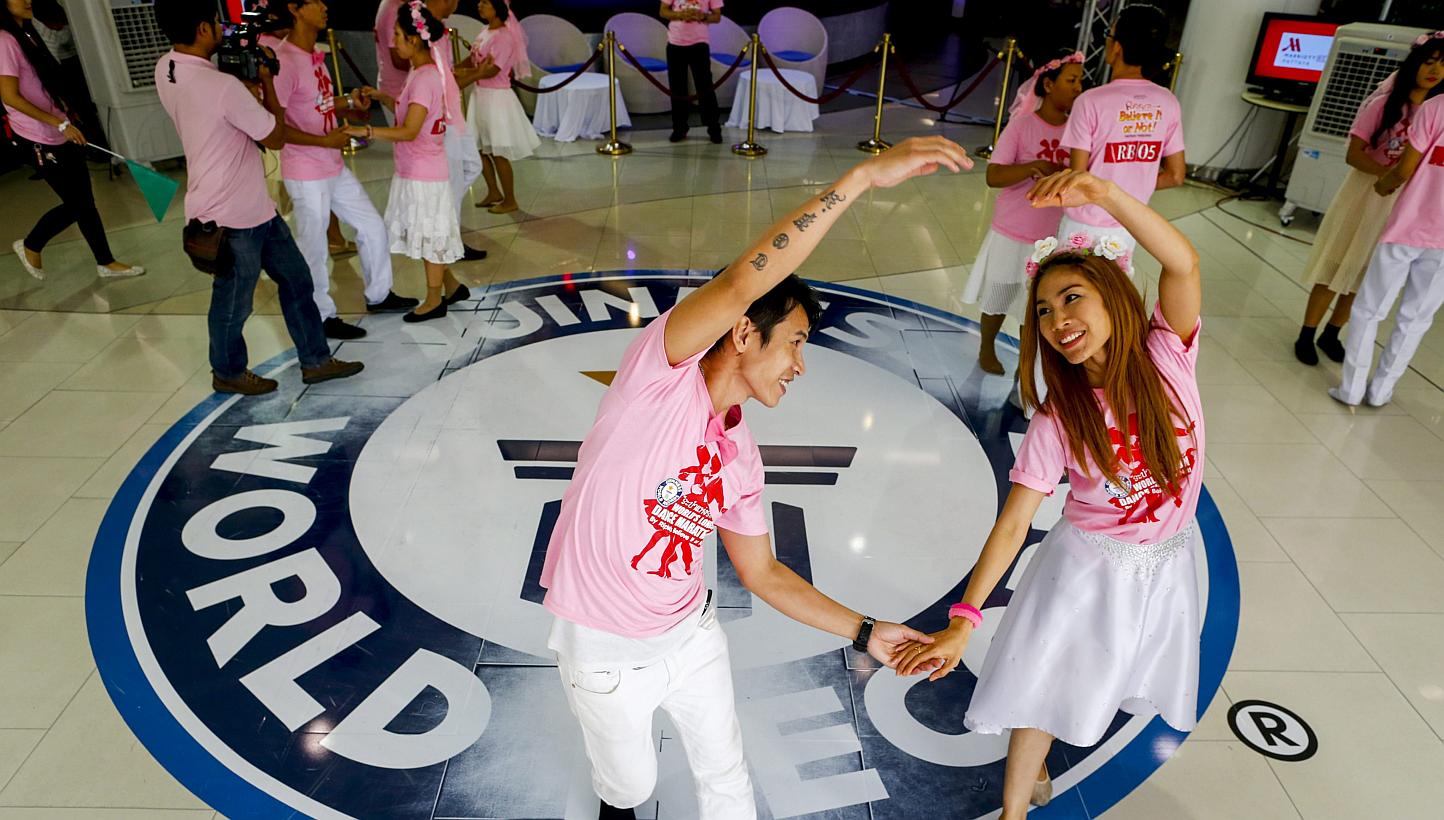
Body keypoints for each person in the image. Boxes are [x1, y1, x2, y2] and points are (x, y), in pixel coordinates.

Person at [538, 136, 972, 819]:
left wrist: (866, 631)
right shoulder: (659, 377)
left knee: (728, 780)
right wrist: (858, 179)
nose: (800, 365)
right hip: (603, 652)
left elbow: (764, 573)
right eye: (794, 342)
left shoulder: (739, 453)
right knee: (628, 788)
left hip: (691, 634)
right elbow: (746, 280)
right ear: (743, 334)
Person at [895, 169, 1204, 820]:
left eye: (1072, 298)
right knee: (1044, 690)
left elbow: (1182, 260)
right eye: (1043, 311)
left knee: (1101, 682)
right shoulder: (1058, 417)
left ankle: (1033, 767)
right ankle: (1015, 812)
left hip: (1163, 568)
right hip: (1086, 574)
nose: (1059, 320)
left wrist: (1107, 197)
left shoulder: (1167, 356)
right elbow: (1013, 524)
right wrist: (964, 618)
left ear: (1114, 296)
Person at [153, 0, 362, 395]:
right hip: (231, 215)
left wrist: (245, 91)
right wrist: (265, 83)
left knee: (297, 280)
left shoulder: (167, 68)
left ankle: (316, 360)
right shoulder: (222, 86)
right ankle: (228, 372)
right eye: (216, 23)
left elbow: (216, 112)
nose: (222, 30)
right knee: (233, 302)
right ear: (201, 29)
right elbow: (275, 137)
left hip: (253, 207)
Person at [1294, 33, 1444, 365]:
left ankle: (1332, 333)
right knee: (1336, 262)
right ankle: (1307, 332)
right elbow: (1354, 155)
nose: (1435, 70)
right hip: (1364, 194)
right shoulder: (1385, 104)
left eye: (1443, 63)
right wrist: (1388, 174)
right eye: (1428, 61)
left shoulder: (1437, 112)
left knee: (1366, 271)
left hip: (1402, 202)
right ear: (1413, 65)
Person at [273, 0, 418, 340]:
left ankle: (380, 294)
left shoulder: (313, 54)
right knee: (314, 247)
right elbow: (275, 127)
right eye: (315, 2)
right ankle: (320, 317)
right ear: (295, 8)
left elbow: (318, 104)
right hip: (307, 170)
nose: (325, 7)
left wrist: (350, 102)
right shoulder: (285, 60)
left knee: (372, 225)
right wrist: (322, 142)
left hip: (332, 164)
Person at [1, 0, 142, 281]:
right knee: (77, 203)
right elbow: (9, 96)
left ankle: (105, 261)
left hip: (59, 126)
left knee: (85, 199)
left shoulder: (28, 31)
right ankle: (31, 243)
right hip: (38, 135)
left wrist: (65, 117)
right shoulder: (3, 41)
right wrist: (58, 122)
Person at [963, 51, 1084, 375]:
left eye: (1080, 81)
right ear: (1048, 83)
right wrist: (1031, 168)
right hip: (1012, 229)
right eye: (1071, 80)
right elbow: (993, 176)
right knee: (999, 293)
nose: (1078, 87)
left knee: (1036, 306)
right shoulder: (1022, 125)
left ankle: (1026, 365)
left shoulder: (1079, 130)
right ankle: (986, 346)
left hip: (1051, 234)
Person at [350, 0, 468, 323]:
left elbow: (409, 129)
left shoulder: (426, 77)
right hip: (418, 170)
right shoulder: (422, 72)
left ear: (414, 39)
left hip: (424, 174)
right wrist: (381, 98)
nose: (393, 42)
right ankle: (452, 286)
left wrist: (369, 130)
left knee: (429, 238)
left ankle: (434, 300)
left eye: (399, 36)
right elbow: (409, 108)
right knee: (426, 232)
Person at [1332, 92, 1444, 407]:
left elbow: (1406, 168)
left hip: (1409, 226)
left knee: (1370, 309)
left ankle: (1351, 389)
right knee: (1417, 317)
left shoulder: (1436, 107)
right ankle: (1381, 392)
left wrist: (1385, 184)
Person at [1059, 2, 1184, 273]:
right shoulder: (1168, 102)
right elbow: (1175, 175)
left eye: (1109, 34)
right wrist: (1130, 191)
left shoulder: (1090, 101)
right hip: (1130, 223)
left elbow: (1077, 177)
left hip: (1083, 224)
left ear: (1117, 47)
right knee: (1111, 302)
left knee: (1068, 294)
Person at [455, 0, 538, 214]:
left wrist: (466, 75)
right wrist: (456, 68)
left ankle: (510, 199)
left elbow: (493, 70)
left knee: (499, 151)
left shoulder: (504, 36)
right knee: (479, 148)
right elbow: (474, 59)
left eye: (484, 2)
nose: (479, 5)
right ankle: (493, 191)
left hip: (496, 99)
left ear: (497, 8)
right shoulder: (485, 30)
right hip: (480, 95)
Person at [425, 0, 487, 261]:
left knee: (472, 167)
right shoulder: (425, 32)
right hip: (441, 118)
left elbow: (448, 74)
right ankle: (450, 240)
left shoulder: (441, 29)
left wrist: (470, 67)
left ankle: (445, 225)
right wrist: (478, 73)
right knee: (454, 178)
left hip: (453, 116)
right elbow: (440, 83)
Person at [659, 0, 722, 144]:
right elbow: (663, 11)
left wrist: (703, 16)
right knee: (677, 87)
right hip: (675, 43)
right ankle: (679, 128)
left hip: (699, 43)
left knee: (705, 86)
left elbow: (717, 16)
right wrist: (680, 15)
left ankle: (713, 128)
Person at [373, 0, 408, 124]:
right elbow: (398, 60)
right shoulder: (393, 9)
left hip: (401, 88)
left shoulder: (393, 5)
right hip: (397, 90)